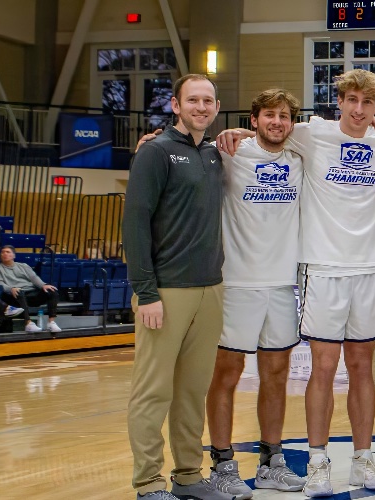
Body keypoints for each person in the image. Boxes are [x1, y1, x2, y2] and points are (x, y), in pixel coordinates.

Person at [218, 68, 375, 497]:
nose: (358, 109)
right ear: (339, 101)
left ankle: (362, 460)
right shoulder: (311, 134)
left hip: (370, 270)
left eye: (367, 103)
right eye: (351, 100)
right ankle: (318, 462)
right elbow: (269, 131)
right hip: (322, 270)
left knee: (362, 370)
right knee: (322, 368)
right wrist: (236, 130)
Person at [122, 73, 232, 500]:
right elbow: (135, 225)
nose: (201, 107)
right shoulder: (155, 152)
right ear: (175, 105)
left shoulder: (213, 153)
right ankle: (149, 484)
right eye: (193, 100)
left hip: (210, 289)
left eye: (208, 101)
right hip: (165, 292)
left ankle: (188, 476)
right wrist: (146, 292)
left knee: (191, 392)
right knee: (153, 392)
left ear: (217, 108)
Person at [203, 88, 307, 499]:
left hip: (283, 285)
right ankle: (224, 464)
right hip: (238, 284)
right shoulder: (230, 152)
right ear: (254, 118)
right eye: (269, 115)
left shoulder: (300, 158)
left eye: (284, 116)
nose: (277, 122)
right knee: (225, 374)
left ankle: (271, 462)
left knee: (276, 376)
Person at [0, 246, 61, 333]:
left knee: (52, 291)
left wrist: (43, 285)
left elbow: (34, 278)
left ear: (13, 255)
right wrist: (11, 289)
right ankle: (28, 323)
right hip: (14, 295)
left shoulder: (23, 266)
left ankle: (51, 322)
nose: (5, 254)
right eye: (2, 252)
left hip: (32, 293)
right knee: (19, 292)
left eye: (8, 252)